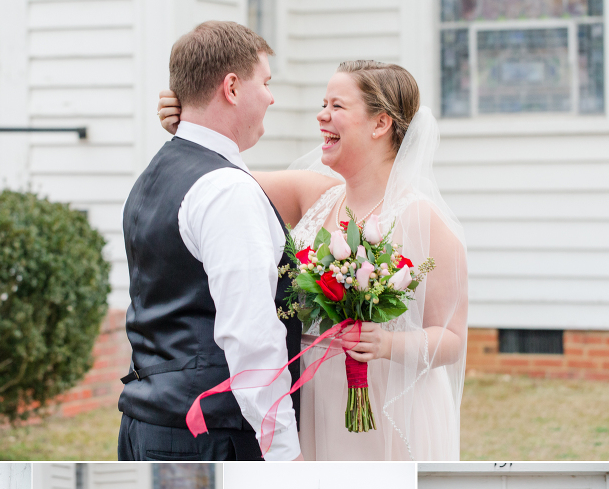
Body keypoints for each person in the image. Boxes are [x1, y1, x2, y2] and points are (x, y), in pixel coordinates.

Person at [158, 60, 468, 461]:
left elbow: (453, 339)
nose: (322, 115)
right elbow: (219, 180)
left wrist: (387, 342)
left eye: (337, 106)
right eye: (323, 103)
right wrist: (192, 127)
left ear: (380, 124)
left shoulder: (426, 219)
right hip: (309, 398)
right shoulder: (314, 194)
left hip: (384, 408)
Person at [119, 20, 303, 462]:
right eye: (266, 82)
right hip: (209, 433)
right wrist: (283, 450)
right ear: (233, 88)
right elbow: (251, 334)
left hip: (146, 423)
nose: (271, 96)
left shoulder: (159, 171)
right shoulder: (225, 189)